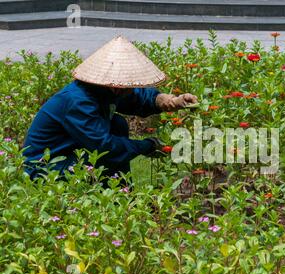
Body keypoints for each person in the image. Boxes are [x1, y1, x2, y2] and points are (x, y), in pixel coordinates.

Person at [22, 35, 197, 182]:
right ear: (116, 86)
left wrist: (171, 101)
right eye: (130, 84)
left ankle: (120, 194)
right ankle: (114, 197)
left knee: (117, 123)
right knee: (108, 150)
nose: (133, 88)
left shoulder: (102, 89)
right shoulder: (79, 102)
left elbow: (137, 98)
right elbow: (104, 147)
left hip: (70, 152)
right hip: (46, 166)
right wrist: (146, 146)